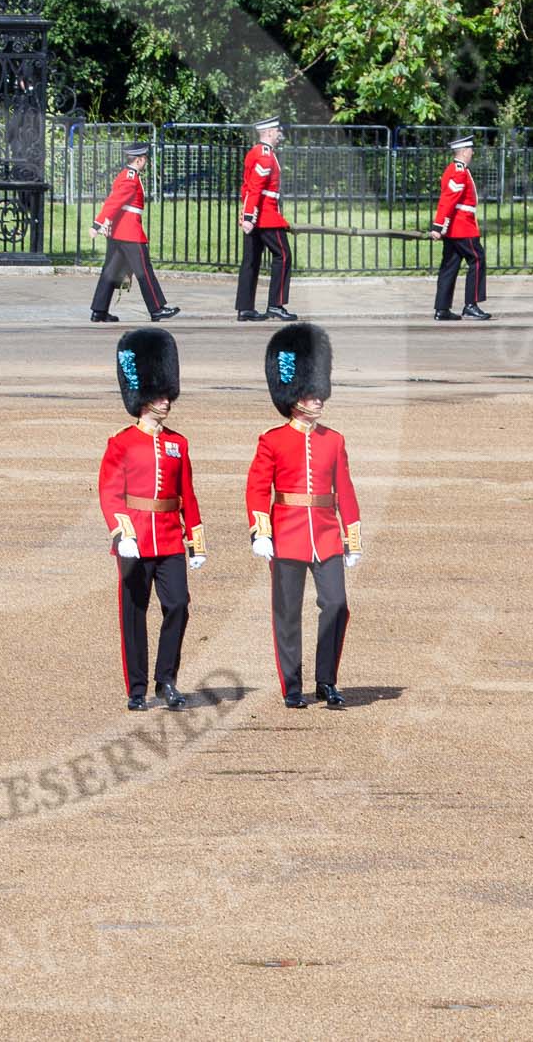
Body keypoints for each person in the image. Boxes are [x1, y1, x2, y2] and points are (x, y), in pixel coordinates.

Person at [246, 323, 361, 709]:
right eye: (310, 394)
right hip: (287, 533)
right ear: (294, 397)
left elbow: (344, 490)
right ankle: (292, 685)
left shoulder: (335, 440)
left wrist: (352, 539)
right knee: (287, 613)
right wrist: (261, 531)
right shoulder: (273, 440)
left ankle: (327, 680)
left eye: (319, 393)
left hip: (326, 534)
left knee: (336, 604)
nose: (318, 401)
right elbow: (258, 488)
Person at [97, 327, 205, 712]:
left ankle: (168, 680)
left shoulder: (179, 443)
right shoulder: (122, 442)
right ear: (143, 399)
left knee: (178, 604)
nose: (166, 402)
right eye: (159, 395)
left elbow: (186, 494)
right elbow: (110, 491)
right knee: (134, 613)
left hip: (170, 538)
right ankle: (137, 687)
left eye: (167, 394)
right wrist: (121, 531)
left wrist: (195, 540)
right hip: (135, 536)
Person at [88, 142, 180, 323]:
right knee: (144, 271)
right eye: (144, 159)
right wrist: (97, 224)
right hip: (129, 232)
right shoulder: (130, 178)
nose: (145, 162)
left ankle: (99, 311)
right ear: (138, 160)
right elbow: (114, 202)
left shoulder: (126, 175)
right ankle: (157, 309)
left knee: (110, 272)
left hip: (119, 232)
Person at [236, 116, 296, 322]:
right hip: (266, 216)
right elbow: (255, 188)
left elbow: (247, 188)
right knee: (284, 256)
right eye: (278, 131)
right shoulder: (265, 156)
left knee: (251, 261)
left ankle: (245, 308)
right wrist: (250, 217)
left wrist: (246, 214)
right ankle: (275, 304)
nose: (280, 135)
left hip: (256, 213)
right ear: (269, 132)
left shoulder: (257, 152)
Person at [429, 134, 492, 321]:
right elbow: (449, 199)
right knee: (477, 260)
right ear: (464, 152)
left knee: (450, 266)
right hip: (462, 226)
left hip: (454, 227)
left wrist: (441, 226)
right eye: (471, 150)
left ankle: (442, 309)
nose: (472, 153)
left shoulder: (455, 169)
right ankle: (471, 305)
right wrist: (438, 226)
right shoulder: (459, 171)